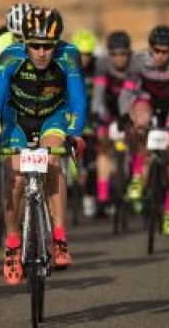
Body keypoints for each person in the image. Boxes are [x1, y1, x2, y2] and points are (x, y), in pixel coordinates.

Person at [0, 6, 87, 285]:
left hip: (54, 115)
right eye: (35, 45)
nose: (41, 52)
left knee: (52, 161)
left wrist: (75, 134)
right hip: (17, 117)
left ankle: (60, 237)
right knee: (14, 175)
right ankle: (13, 243)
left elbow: (78, 100)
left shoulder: (69, 56)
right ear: (24, 42)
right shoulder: (9, 57)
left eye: (47, 46)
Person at [118, 25, 169, 236]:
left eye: (165, 52)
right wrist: (125, 114)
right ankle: (137, 174)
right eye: (156, 51)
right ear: (150, 48)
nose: (160, 56)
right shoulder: (138, 61)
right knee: (139, 123)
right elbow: (126, 91)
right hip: (148, 99)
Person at [91, 31, 142, 216]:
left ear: (129, 53)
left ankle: (137, 180)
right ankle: (103, 197)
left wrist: (128, 117)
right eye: (114, 54)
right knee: (103, 145)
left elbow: (135, 94)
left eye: (123, 54)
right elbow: (98, 91)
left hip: (131, 103)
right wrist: (96, 113)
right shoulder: (103, 64)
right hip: (109, 104)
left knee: (136, 135)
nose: (119, 58)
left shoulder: (137, 64)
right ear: (108, 53)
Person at [71, 28, 99, 217]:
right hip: (71, 113)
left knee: (90, 155)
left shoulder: (98, 69)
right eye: (81, 54)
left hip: (91, 113)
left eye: (88, 54)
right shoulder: (67, 66)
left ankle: (90, 195)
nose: (84, 58)